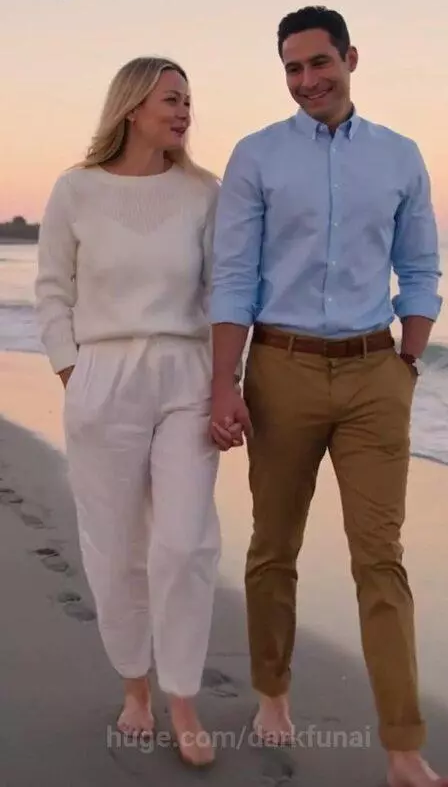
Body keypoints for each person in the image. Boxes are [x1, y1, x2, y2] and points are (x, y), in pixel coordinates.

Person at [208, 7, 448, 787]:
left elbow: (420, 268)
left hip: (373, 373)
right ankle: (272, 694)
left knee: (380, 559)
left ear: (351, 57)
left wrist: (407, 363)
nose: (307, 80)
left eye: (319, 63)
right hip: (278, 368)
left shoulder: (400, 157)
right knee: (272, 547)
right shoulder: (256, 156)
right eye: (292, 67)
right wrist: (225, 380)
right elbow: (234, 277)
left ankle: (403, 749)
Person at [35, 55, 231, 767]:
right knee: (115, 546)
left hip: (186, 372)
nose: (184, 111)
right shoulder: (76, 190)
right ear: (131, 107)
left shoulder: (206, 194)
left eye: (188, 100)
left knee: (184, 541)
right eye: (171, 99)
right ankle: (136, 688)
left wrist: (225, 382)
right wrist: (72, 371)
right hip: (103, 375)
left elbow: (221, 296)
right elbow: (53, 288)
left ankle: (183, 696)